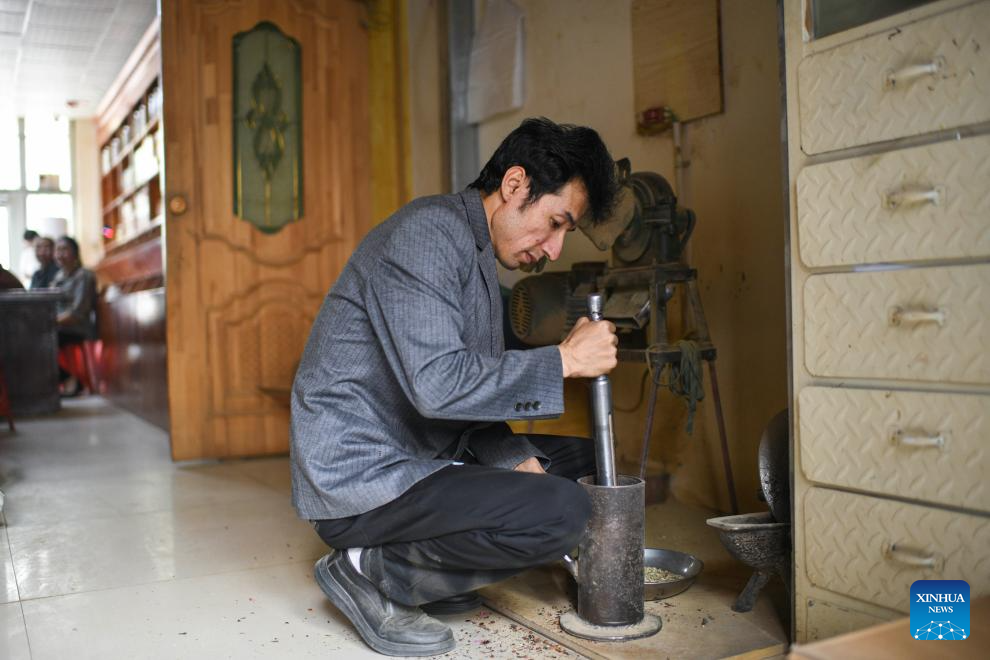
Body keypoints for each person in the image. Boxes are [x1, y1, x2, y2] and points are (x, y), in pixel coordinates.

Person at [291, 117, 620, 656]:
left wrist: (514, 457)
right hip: (362, 475)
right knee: (563, 510)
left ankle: (431, 572)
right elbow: (439, 388)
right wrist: (565, 359)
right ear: (514, 184)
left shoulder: (475, 250)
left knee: (589, 468)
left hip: (425, 450)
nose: (555, 249)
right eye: (555, 223)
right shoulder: (427, 235)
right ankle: (372, 569)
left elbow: (465, 402)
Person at [52, 236, 97, 395]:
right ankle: (64, 380)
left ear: (75, 253)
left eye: (64, 249)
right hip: (59, 326)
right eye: (57, 250)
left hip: (77, 327)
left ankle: (70, 380)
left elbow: (78, 312)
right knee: (30, 341)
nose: (60, 254)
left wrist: (51, 323)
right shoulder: (58, 277)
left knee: (40, 342)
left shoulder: (84, 276)